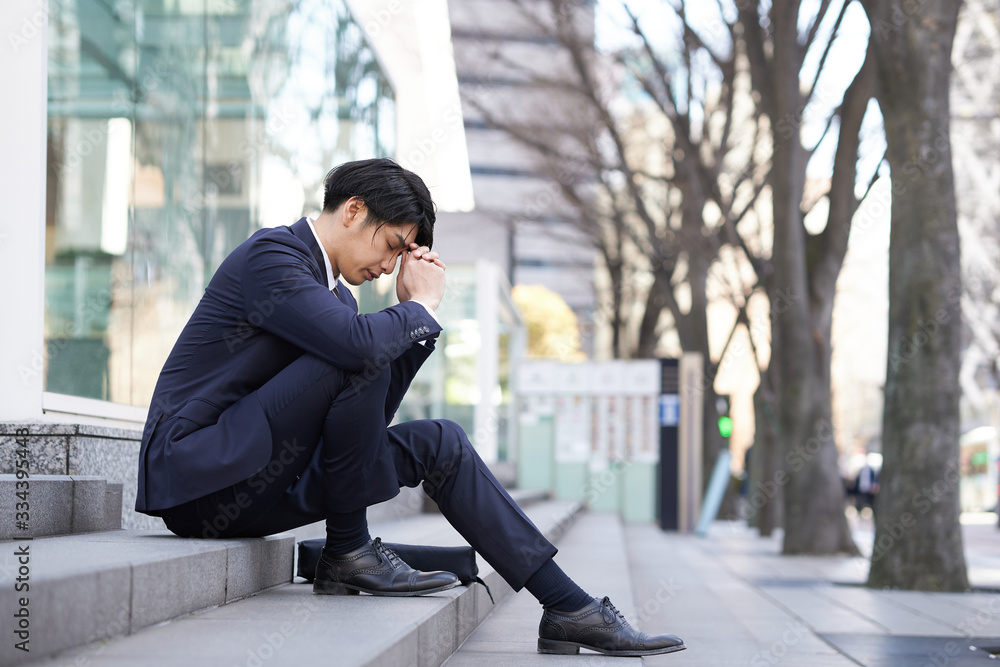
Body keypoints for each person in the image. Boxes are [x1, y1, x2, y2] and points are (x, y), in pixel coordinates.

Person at [134, 158, 685, 657]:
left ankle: (569, 608)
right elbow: (355, 351)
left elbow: (365, 420)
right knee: (362, 344)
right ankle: (349, 549)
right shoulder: (272, 256)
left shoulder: (341, 302)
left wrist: (408, 321)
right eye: (394, 245)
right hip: (198, 479)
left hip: (262, 481)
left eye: (405, 254)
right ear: (353, 211)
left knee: (439, 440)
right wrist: (419, 307)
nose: (392, 264)